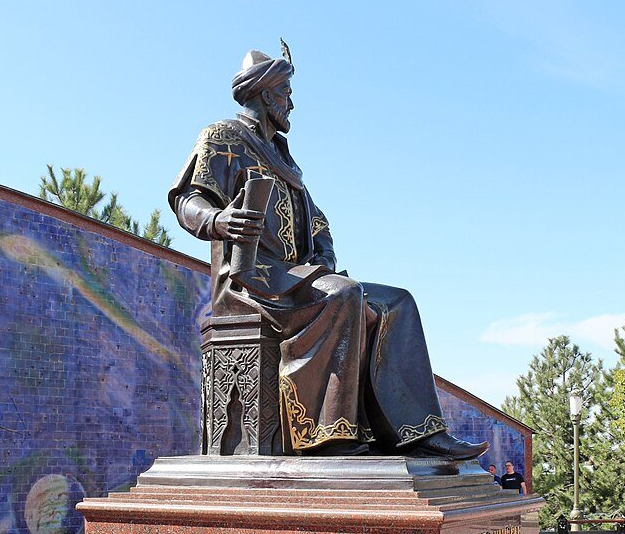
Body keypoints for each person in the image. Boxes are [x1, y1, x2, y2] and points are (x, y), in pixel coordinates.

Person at [169, 42, 489, 461]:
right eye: (286, 93)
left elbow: (316, 221)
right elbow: (187, 198)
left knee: (397, 303)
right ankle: (328, 435)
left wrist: (322, 253)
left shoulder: (284, 159)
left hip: (295, 276)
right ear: (266, 94)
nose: (291, 104)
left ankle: (416, 434)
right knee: (341, 295)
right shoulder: (223, 137)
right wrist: (217, 221)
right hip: (250, 280)